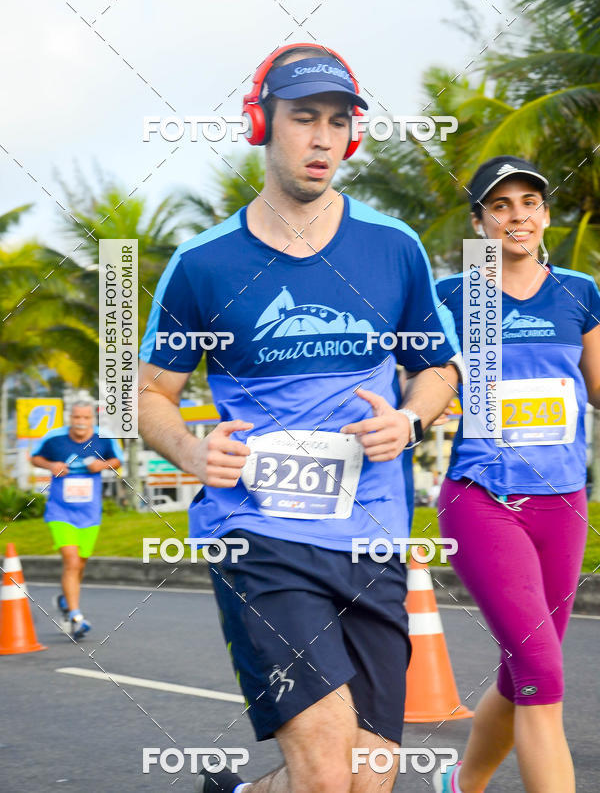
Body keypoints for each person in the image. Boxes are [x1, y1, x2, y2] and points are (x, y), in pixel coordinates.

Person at [138, 42, 462, 793]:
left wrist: (411, 420)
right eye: (303, 118)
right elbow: (150, 394)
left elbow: (438, 370)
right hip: (259, 532)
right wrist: (190, 451)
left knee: (369, 777)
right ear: (263, 124)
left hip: (374, 530)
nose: (323, 139)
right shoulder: (204, 264)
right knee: (324, 768)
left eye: (338, 121)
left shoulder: (394, 247)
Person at [433, 156, 600, 793]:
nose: (517, 215)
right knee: (541, 670)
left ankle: (461, 785)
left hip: (564, 503)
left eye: (529, 201)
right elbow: (418, 376)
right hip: (483, 498)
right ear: (479, 222)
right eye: (500, 206)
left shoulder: (579, 291)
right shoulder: (453, 297)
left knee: (528, 667)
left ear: (546, 214)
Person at [30, 400, 122, 640]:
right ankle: (75, 616)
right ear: (70, 417)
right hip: (60, 511)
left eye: (85, 418)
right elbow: (35, 457)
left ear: (92, 419)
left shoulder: (105, 438)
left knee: (79, 564)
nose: (81, 422)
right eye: (76, 417)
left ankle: (65, 599)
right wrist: (52, 464)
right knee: (71, 560)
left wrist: (100, 465)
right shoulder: (54, 438)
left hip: (90, 513)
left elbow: (117, 461)